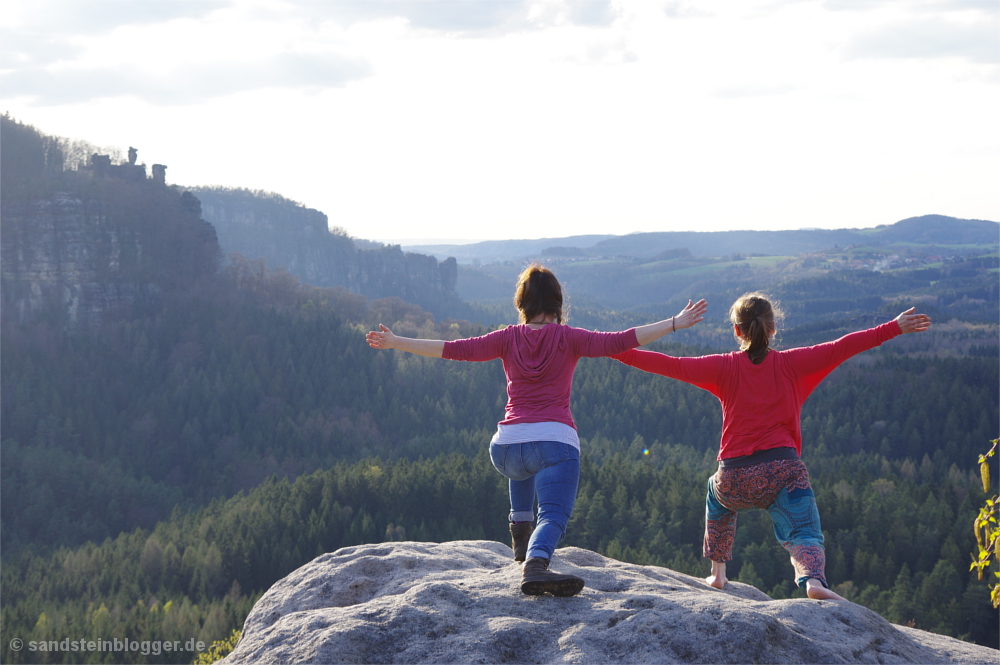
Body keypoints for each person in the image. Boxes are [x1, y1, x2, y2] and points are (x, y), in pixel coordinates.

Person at [367, 264, 707, 596]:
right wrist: (674, 323)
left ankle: (520, 533)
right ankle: (536, 564)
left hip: (505, 449)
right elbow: (620, 340)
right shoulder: (569, 338)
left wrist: (397, 341)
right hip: (554, 444)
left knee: (526, 461)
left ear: (522, 304)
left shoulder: (506, 338)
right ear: (557, 304)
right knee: (555, 513)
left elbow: (453, 349)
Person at [610, 292, 931, 600]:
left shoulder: (723, 366)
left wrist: (612, 348)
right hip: (783, 474)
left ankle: (718, 573)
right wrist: (894, 327)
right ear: (773, 328)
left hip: (733, 478)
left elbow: (668, 364)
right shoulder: (793, 364)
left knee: (715, 492)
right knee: (804, 524)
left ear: (736, 331)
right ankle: (814, 579)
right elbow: (842, 347)